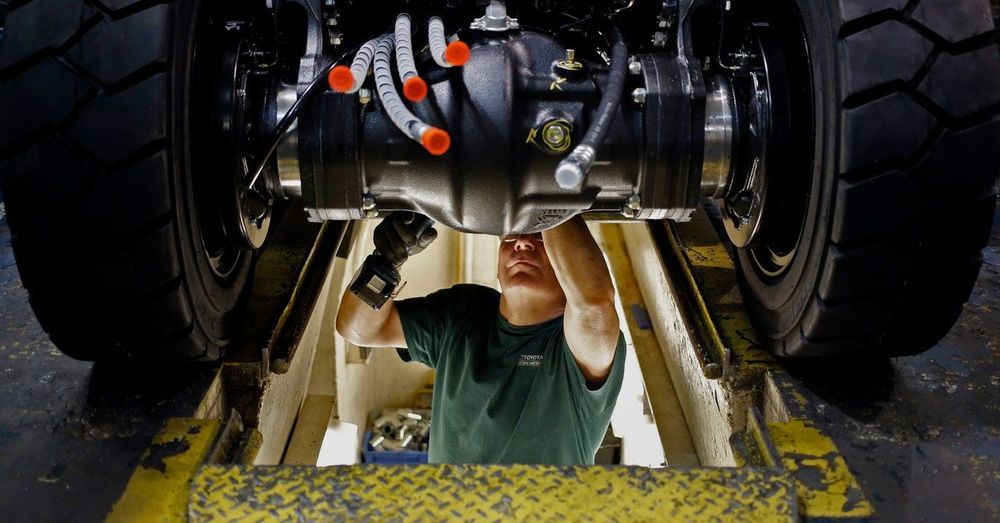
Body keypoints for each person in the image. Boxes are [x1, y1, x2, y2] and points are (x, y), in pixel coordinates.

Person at [335, 212, 625, 464]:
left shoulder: (579, 348)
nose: (522, 243)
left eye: (540, 237)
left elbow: (594, 304)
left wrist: (545, 192)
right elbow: (358, 329)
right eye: (510, 237)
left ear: (570, 265)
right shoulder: (462, 313)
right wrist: (385, 263)